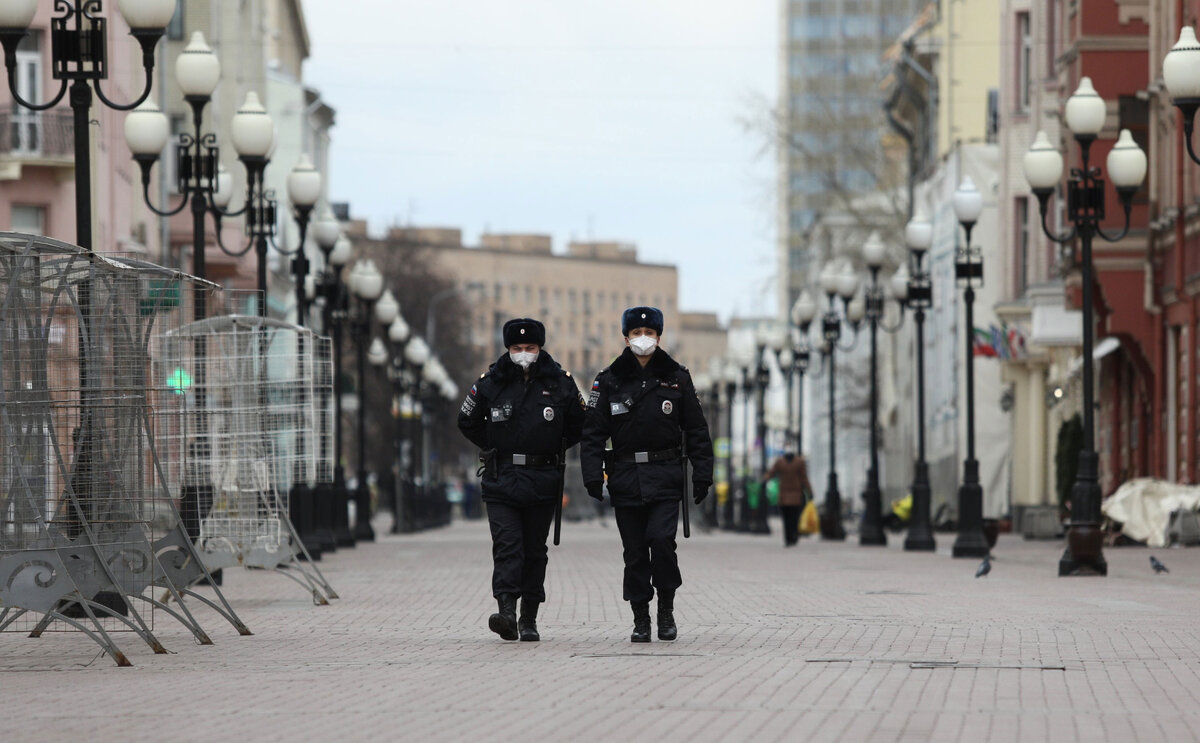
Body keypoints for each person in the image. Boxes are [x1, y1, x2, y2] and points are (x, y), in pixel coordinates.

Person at [581, 307, 713, 642]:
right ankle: (641, 617)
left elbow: (696, 430)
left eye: (650, 333)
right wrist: (592, 475)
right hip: (625, 476)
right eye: (637, 333)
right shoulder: (608, 380)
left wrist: (702, 474)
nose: (643, 339)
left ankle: (665, 609)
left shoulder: (677, 378)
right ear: (626, 337)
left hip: (666, 475)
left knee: (662, 542)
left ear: (658, 336)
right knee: (635, 552)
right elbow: (594, 431)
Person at [458, 318, 584, 642]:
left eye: (529, 348)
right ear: (508, 349)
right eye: (517, 348)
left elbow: (582, 423)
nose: (524, 354)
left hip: (543, 478)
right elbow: (466, 420)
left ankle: (529, 617)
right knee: (507, 546)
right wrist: (494, 443)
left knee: (533, 551)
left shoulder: (559, 382)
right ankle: (506, 611)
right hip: (502, 479)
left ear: (540, 348)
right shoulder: (492, 381)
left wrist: (553, 446)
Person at [761, 451, 813, 547]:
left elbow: (771, 473)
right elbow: (804, 478)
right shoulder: (795, 462)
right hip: (791, 494)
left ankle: (790, 537)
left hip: (790, 494)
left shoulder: (787, 462)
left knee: (790, 518)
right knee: (791, 517)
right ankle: (791, 536)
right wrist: (809, 492)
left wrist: (765, 480)